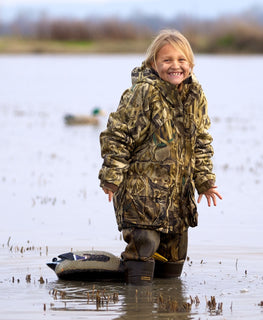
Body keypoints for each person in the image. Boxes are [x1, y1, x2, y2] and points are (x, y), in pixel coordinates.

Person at [98, 29, 222, 285]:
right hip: (141, 194)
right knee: (144, 249)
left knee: (174, 260)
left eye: (181, 60)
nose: (175, 65)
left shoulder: (195, 96)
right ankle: (136, 303)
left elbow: (201, 140)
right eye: (167, 60)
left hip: (177, 198)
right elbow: (118, 135)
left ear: (191, 64)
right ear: (153, 64)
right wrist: (111, 176)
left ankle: (169, 305)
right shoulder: (143, 93)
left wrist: (205, 180)